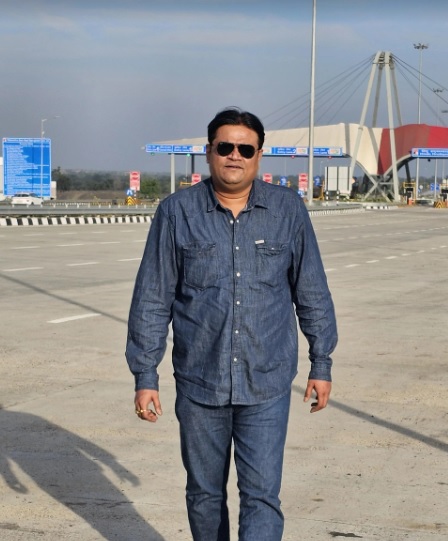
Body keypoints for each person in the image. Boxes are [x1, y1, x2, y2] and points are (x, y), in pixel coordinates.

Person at [125, 107, 338, 541]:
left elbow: (311, 289)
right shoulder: (176, 213)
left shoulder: (287, 210)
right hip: (200, 383)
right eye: (225, 147)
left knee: (262, 496)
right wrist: (145, 375)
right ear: (209, 152)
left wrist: (322, 362)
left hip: (266, 382)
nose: (234, 156)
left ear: (259, 155)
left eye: (245, 149)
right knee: (204, 495)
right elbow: (152, 298)